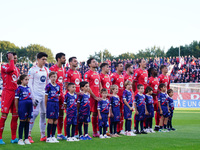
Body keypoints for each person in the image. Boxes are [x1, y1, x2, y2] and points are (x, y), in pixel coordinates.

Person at [28, 52, 49, 143]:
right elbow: (30, 84)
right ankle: (28, 135)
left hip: (44, 95)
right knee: (34, 114)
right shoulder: (32, 70)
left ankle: (43, 135)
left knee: (44, 114)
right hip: (35, 95)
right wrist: (32, 96)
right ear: (38, 59)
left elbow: (47, 84)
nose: (44, 61)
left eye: (45, 59)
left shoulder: (47, 70)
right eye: (43, 59)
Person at [0, 52, 20, 144]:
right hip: (7, 93)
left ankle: (13, 138)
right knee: (4, 116)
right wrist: (11, 59)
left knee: (15, 116)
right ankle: (0, 138)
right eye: (14, 58)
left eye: (15, 58)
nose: (15, 59)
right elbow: (10, 69)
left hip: (15, 93)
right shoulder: (4, 66)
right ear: (9, 58)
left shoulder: (17, 69)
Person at [49, 52, 67, 140]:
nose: (65, 59)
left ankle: (59, 134)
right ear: (59, 59)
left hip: (61, 94)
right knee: (52, 115)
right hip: (53, 95)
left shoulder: (63, 69)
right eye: (64, 58)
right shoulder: (52, 68)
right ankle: (50, 134)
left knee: (61, 114)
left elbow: (62, 82)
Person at [65, 57, 82, 137]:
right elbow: (66, 85)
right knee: (69, 114)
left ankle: (75, 133)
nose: (76, 62)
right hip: (71, 97)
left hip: (78, 97)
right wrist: (74, 93)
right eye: (75, 61)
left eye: (77, 61)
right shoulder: (68, 72)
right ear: (70, 63)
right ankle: (66, 134)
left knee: (76, 114)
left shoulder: (79, 73)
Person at [84, 58, 100, 137]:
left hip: (97, 97)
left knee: (95, 114)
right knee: (87, 114)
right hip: (90, 97)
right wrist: (94, 96)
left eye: (96, 61)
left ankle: (95, 131)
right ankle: (85, 132)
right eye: (93, 62)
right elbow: (87, 86)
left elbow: (99, 85)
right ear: (89, 64)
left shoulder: (97, 73)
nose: (96, 63)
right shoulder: (87, 73)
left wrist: (99, 94)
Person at [15, 74, 32, 145]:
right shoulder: (19, 89)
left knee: (28, 122)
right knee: (22, 122)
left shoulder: (28, 88)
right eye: (26, 79)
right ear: (21, 80)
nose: (27, 81)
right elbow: (16, 99)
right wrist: (17, 109)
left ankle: (26, 138)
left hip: (29, 106)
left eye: (28, 79)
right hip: (22, 106)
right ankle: (20, 139)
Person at [133, 59, 148, 131]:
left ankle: (143, 127)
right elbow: (134, 82)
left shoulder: (146, 71)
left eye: (145, 62)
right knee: (137, 111)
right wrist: (135, 91)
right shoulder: (137, 71)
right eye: (144, 62)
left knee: (143, 110)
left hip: (144, 93)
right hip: (138, 92)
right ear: (139, 63)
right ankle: (136, 127)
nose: (145, 63)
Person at [45, 71, 60, 143]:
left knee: (55, 120)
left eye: (54, 76)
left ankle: (53, 136)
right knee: (50, 119)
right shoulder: (48, 86)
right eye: (52, 77)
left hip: (56, 104)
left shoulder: (58, 86)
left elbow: (58, 96)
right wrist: (46, 106)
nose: (53, 78)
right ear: (49, 78)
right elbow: (46, 96)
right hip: (50, 103)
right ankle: (48, 137)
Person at [110, 62, 125, 134]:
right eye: (121, 66)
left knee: (121, 113)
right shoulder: (113, 76)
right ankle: (112, 130)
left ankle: (120, 129)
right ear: (116, 68)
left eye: (122, 66)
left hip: (121, 98)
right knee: (113, 113)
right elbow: (110, 86)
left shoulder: (122, 76)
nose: (122, 67)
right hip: (114, 99)